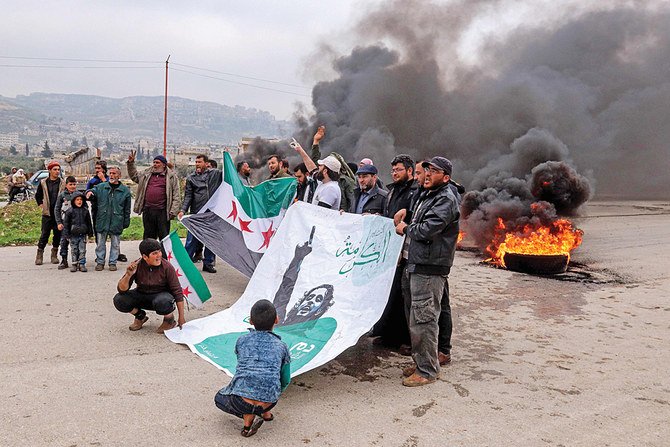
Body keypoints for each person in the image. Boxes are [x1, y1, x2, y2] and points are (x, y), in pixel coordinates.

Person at [395, 156, 460, 387]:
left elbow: (427, 229)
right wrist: (407, 212)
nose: (428, 174)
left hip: (429, 268)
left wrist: (406, 228)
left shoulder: (446, 199)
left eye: (434, 171)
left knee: (424, 320)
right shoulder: (428, 194)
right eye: (428, 170)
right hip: (416, 263)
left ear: (446, 177)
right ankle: (424, 361)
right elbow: (420, 218)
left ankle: (427, 371)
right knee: (415, 318)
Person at [214, 299, 291, 438]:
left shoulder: (242, 341)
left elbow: (242, 367)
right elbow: (285, 378)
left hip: (241, 402)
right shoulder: (282, 346)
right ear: (276, 320)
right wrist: (278, 392)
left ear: (250, 321)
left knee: (219, 398)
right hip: (270, 401)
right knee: (264, 388)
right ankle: (265, 413)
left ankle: (247, 425)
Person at [371, 154, 418, 347]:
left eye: (399, 170)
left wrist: (400, 250)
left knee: (404, 298)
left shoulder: (414, 192)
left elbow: (413, 220)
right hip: (389, 251)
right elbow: (388, 215)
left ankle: (406, 340)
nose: (394, 173)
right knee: (389, 293)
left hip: (405, 251)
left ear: (410, 171)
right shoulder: (391, 191)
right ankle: (388, 334)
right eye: (393, 170)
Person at [113, 238, 185, 333]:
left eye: (159, 252)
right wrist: (128, 275)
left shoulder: (167, 267)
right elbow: (122, 290)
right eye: (154, 253)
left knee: (163, 301)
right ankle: (140, 316)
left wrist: (181, 317)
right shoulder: (136, 265)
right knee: (119, 299)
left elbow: (178, 292)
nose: (159, 255)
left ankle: (169, 320)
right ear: (145, 257)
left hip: (161, 298)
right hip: (142, 295)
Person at [178, 154, 223, 274]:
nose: (197, 164)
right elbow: (188, 196)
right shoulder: (191, 178)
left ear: (206, 163)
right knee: (191, 240)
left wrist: (226, 156)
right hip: (196, 213)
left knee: (211, 240)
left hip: (211, 213)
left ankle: (208, 263)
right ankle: (185, 263)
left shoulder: (215, 174)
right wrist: (183, 210)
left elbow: (227, 175)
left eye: (199, 162)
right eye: (196, 162)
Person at [127, 152, 181, 241]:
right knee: (148, 236)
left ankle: (163, 254)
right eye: (154, 162)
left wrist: (173, 211)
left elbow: (176, 195)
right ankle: (148, 254)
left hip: (163, 211)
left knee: (164, 236)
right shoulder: (147, 173)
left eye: (157, 162)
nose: (155, 164)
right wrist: (131, 163)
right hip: (148, 210)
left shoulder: (172, 177)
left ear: (163, 164)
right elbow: (134, 176)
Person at [86, 166, 131, 272]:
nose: (112, 175)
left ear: (119, 176)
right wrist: (89, 192)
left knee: (115, 244)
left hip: (117, 220)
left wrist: (125, 222)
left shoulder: (125, 191)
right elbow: (92, 191)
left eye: (114, 173)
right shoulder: (101, 187)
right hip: (102, 220)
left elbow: (127, 210)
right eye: (110, 173)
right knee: (100, 244)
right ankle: (100, 262)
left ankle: (112, 262)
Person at [308, 126, 355, 211]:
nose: (319, 168)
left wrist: (345, 214)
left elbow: (353, 201)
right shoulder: (324, 180)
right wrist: (316, 142)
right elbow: (314, 165)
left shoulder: (346, 182)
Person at [34, 161, 65, 265]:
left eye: (58, 169)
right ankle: (39, 254)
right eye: (55, 169)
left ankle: (54, 255)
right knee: (44, 234)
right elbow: (38, 195)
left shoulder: (62, 183)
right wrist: (41, 205)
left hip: (59, 213)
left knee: (57, 234)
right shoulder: (43, 182)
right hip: (47, 213)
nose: (57, 171)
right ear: (50, 170)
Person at [62, 192, 93, 272]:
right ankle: (74, 264)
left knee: (82, 250)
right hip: (73, 235)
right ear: (73, 201)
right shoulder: (69, 211)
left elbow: (89, 222)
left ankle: (82, 264)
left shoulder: (85, 211)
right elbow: (66, 224)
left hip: (82, 234)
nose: (79, 201)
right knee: (74, 250)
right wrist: (67, 235)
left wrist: (90, 233)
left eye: (81, 200)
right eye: (77, 200)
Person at [54, 176, 79, 269]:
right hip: (65, 223)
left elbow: (84, 209)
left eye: (74, 184)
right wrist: (59, 222)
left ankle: (78, 261)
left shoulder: (79, 195)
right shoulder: (62, 195)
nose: (72, 186)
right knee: (63, 242)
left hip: (76, 223)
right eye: (70, 184)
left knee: (76, 243)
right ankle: (64, 260)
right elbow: (57, 209)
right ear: (66, 185)